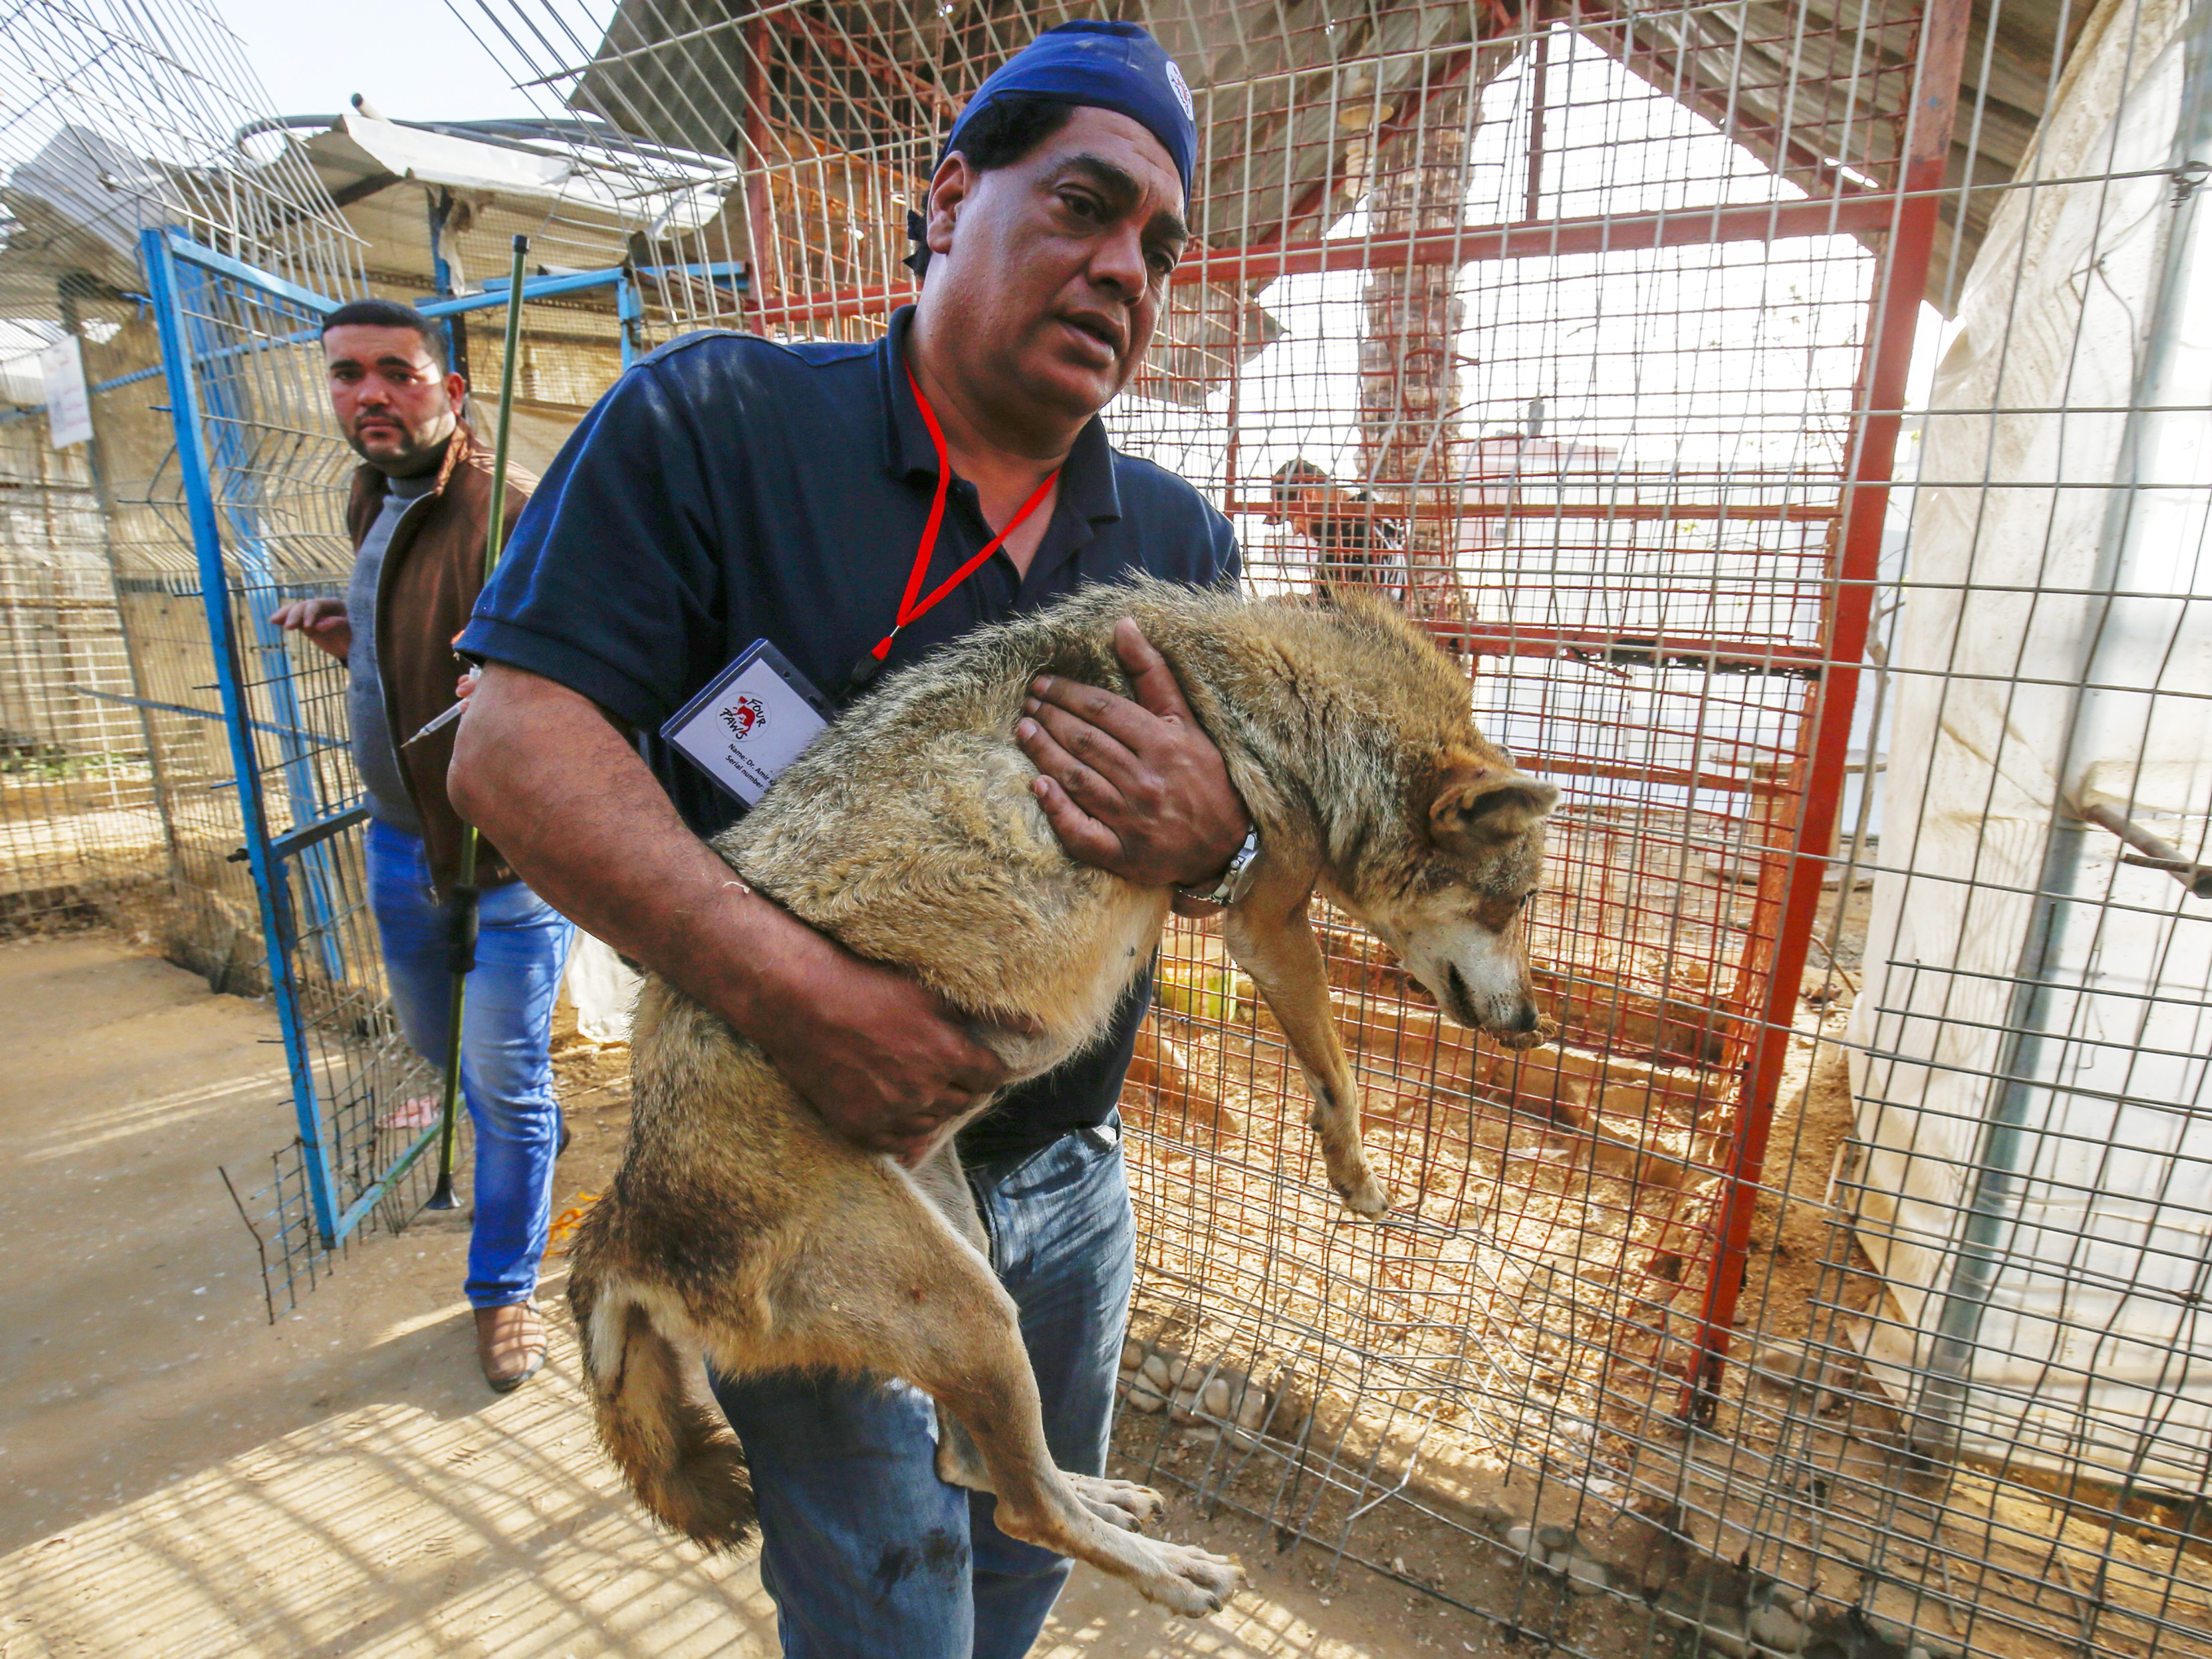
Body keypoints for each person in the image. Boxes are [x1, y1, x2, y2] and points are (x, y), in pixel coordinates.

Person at [447, 20, 1253, 1655]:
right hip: (804, 1166)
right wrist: (810, 1001)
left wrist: (1223, 842)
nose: (1124, 268)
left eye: (1158, 245)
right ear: (950, 197)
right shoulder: (717, 423)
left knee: (1028, 1552)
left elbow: (1244, 865)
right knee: (885, 1603)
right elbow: (512, 749)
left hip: (1071, 1186)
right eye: (1084, 206)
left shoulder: (1173, 542)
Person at [272, 298, 574, 1393]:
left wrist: (519, 683)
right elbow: (417, 648)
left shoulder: (511, 514)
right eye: (348, 374)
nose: (370, 393)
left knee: (505, 1084)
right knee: (438, 1045)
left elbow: (592, 679)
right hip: (401, 847)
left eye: (396, 371)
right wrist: (355, 636)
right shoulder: (373, 497)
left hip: (504, 865)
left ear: (450, 389)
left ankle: (503, 1290)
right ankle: (524, 1145)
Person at [1265, 456, 1410, 603]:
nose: (1295, 530)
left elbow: (1345, 614)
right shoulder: (1383, 525)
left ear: (1308, 496)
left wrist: (1294, 605)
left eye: (1292, 517)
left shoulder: (1350, 535)